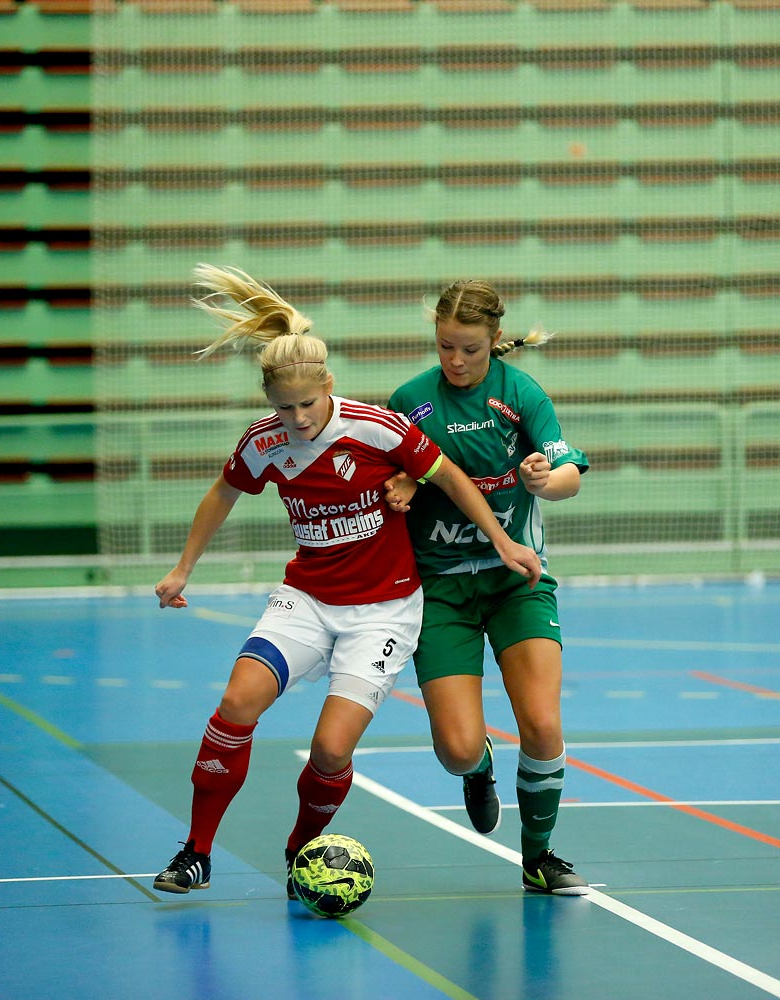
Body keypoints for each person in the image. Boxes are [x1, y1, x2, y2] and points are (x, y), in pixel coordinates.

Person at [151, 265, 542, 896]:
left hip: (384, 612)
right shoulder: (266, 441)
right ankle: (195, 852)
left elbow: (447, 476)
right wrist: (183, 567)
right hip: (306, 598)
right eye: (283, 407)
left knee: (331, 750)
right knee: (236, 703)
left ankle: (301, 854)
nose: (298, 419)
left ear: (327, 386)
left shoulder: (374, 427)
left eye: (307, 404)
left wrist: (502, 540)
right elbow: (223, 492)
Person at [383, 279, 591, 894]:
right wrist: (405, 483)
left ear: (495, 341)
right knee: (455, 747)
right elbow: (393, 466)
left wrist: (541, 481)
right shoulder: (411, 400)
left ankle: (538, 857)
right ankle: (478, 771)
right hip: (441, 588)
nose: (456, 360)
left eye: (470, 348)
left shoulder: (521, 395)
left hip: (515, 582)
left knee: (543, 725)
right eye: (445, 346)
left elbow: (568, 472)